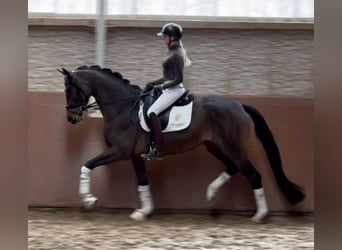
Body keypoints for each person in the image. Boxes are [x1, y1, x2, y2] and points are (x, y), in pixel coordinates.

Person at [141, 22, 192, 160]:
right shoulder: (172, 51)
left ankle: (159, 149)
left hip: (174, 90)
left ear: (172, 38)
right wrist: (153, 83)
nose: (163, 39)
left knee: (152, 112)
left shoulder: (176, 54)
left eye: (164, 37)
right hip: (170, 88)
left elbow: (178, 79)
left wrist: (162, 86)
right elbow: (167, 76)